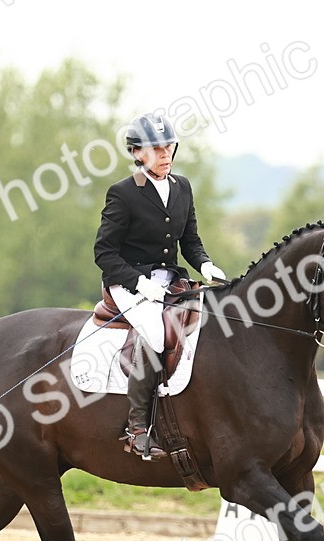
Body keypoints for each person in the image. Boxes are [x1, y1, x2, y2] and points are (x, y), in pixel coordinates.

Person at [94, 113, 226, 460]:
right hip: (127, 282)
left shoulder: (182, 187)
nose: (165, 155)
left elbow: (190, 241)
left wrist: (206, 264)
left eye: (169, 147)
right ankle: (137, 429)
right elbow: (104, 253)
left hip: (169, 281)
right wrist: (138, 283)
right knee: (154, 334)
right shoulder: (123, 193)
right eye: (156, 150)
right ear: (138, 154)